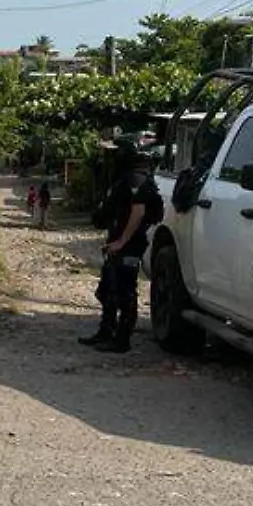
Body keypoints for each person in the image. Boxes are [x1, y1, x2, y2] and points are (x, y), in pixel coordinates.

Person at [82, 145, 164, 353]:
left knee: (125, 292)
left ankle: (122, 339)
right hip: (119, 241)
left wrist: (122, 242)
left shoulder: (138, 180)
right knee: (107, 289)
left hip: (130, 244)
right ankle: (106, 332)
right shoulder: (127, 178)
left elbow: (138, 212)